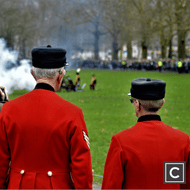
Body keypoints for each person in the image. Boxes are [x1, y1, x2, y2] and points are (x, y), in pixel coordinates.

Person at [0, 45, 92, 189]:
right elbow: (82, 168)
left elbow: (1, 161)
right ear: (60, 75)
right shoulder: (73, 113)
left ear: (33, 73)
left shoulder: (8, 109)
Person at [102, 78, 190, 189]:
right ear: (162, 103)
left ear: (137, 104)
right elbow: (184, 185)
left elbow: (111, 186)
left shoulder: (121, 141)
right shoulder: (182, 141)